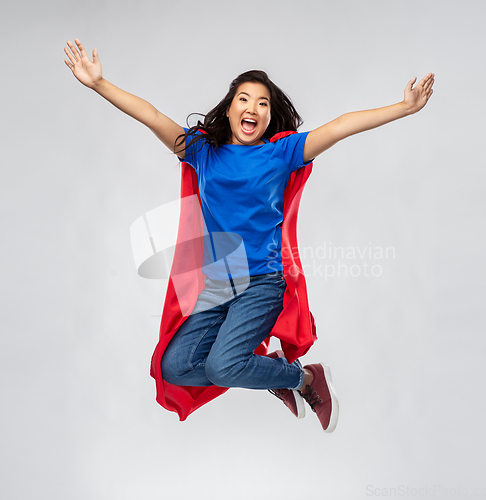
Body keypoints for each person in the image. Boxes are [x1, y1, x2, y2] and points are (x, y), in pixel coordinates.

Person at [64, 38, 434, 433]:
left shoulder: (282, 152)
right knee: (176, 367)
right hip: (218, 287)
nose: (253, 108)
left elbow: (340, 126)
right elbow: (153, 116)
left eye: (262, 103)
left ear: (269, 116)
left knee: (223, 366)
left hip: (262, 283)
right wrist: (99, 84)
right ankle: (275, 373)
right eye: (244, 99)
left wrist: (404, 108)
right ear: (229, 108)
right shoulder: (202, 151)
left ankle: (303, 379)